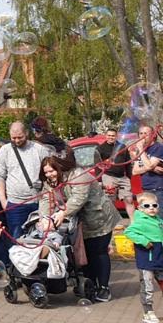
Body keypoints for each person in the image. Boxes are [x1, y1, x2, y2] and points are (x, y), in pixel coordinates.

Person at [38, 154, 121, 302]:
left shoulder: (78, 175)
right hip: (80, 222)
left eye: (52, 171)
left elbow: (78, 198)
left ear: (61, 167)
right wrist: (44, 218)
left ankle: (103, 288)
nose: (49, 175)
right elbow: (45, 198)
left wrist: (63, 213)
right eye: (46, 172)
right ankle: (89, 285)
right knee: (85, 254)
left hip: (99, 218)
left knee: (99, 252)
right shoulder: (49, 182)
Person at [0, 121, 53, 241]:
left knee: (42, 238)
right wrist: (3, 201)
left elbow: (50, 173)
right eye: (13, 138)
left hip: (38, 202)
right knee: (17, 240)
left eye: (20, 137)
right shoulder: (5, 151)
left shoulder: (39, 150)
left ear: (26, 133)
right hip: (15, 204)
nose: (16, 141)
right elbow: (0, 176)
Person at [125, 191, 163, 323]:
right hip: (147, 259)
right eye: (147, 206)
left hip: (159, 258)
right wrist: (144, 241)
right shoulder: (140, 221)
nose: (151, 208)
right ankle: (148, 312)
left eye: (154, 205)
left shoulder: (158, 220)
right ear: (140, 208)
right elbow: (129, 231)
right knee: (147, 286)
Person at [99, 126, 136, 221]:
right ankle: (111, 223)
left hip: (122, 177)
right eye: (109, 135)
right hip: (108, 177)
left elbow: (128, 163)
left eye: (113, 136)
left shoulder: (122, 147)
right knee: (110, 201)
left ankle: (134, 223)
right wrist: (99, 181)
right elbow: (97, 166)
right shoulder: (100, 148)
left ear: (116, 136)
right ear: (106, 136)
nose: (111, 137)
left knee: (129, 199)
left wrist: (128, 176)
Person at [134, 124, 163, 202]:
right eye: (141, 133)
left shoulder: (159, 148)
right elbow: (135, 171)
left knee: (159, 213)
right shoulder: (140, 151)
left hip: (158, 189)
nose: (143, 136)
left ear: (153, 135)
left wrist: (140, 149)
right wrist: (153, 168)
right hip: (146, 188)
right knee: (148, 213)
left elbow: (149, 166)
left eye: (146, 133)